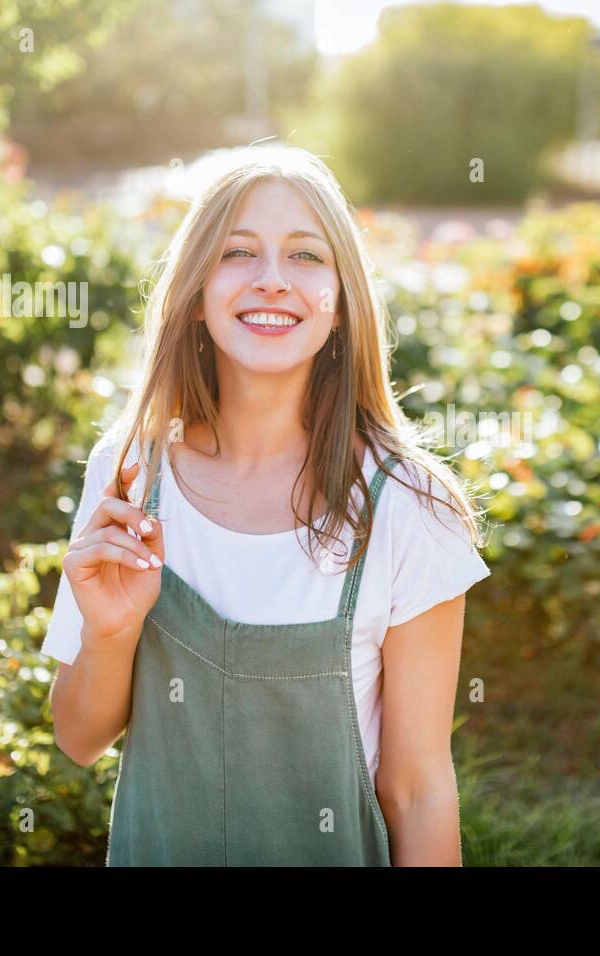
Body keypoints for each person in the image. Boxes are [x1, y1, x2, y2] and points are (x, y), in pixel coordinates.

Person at [41, 144, 491, 866]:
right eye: (238, 252)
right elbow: (79, 737)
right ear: (194, 294)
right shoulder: (129, 474)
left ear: (342, 306)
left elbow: (418, 789)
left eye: (307, 257)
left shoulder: (409, 507)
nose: (273, 281)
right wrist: (111, 632)